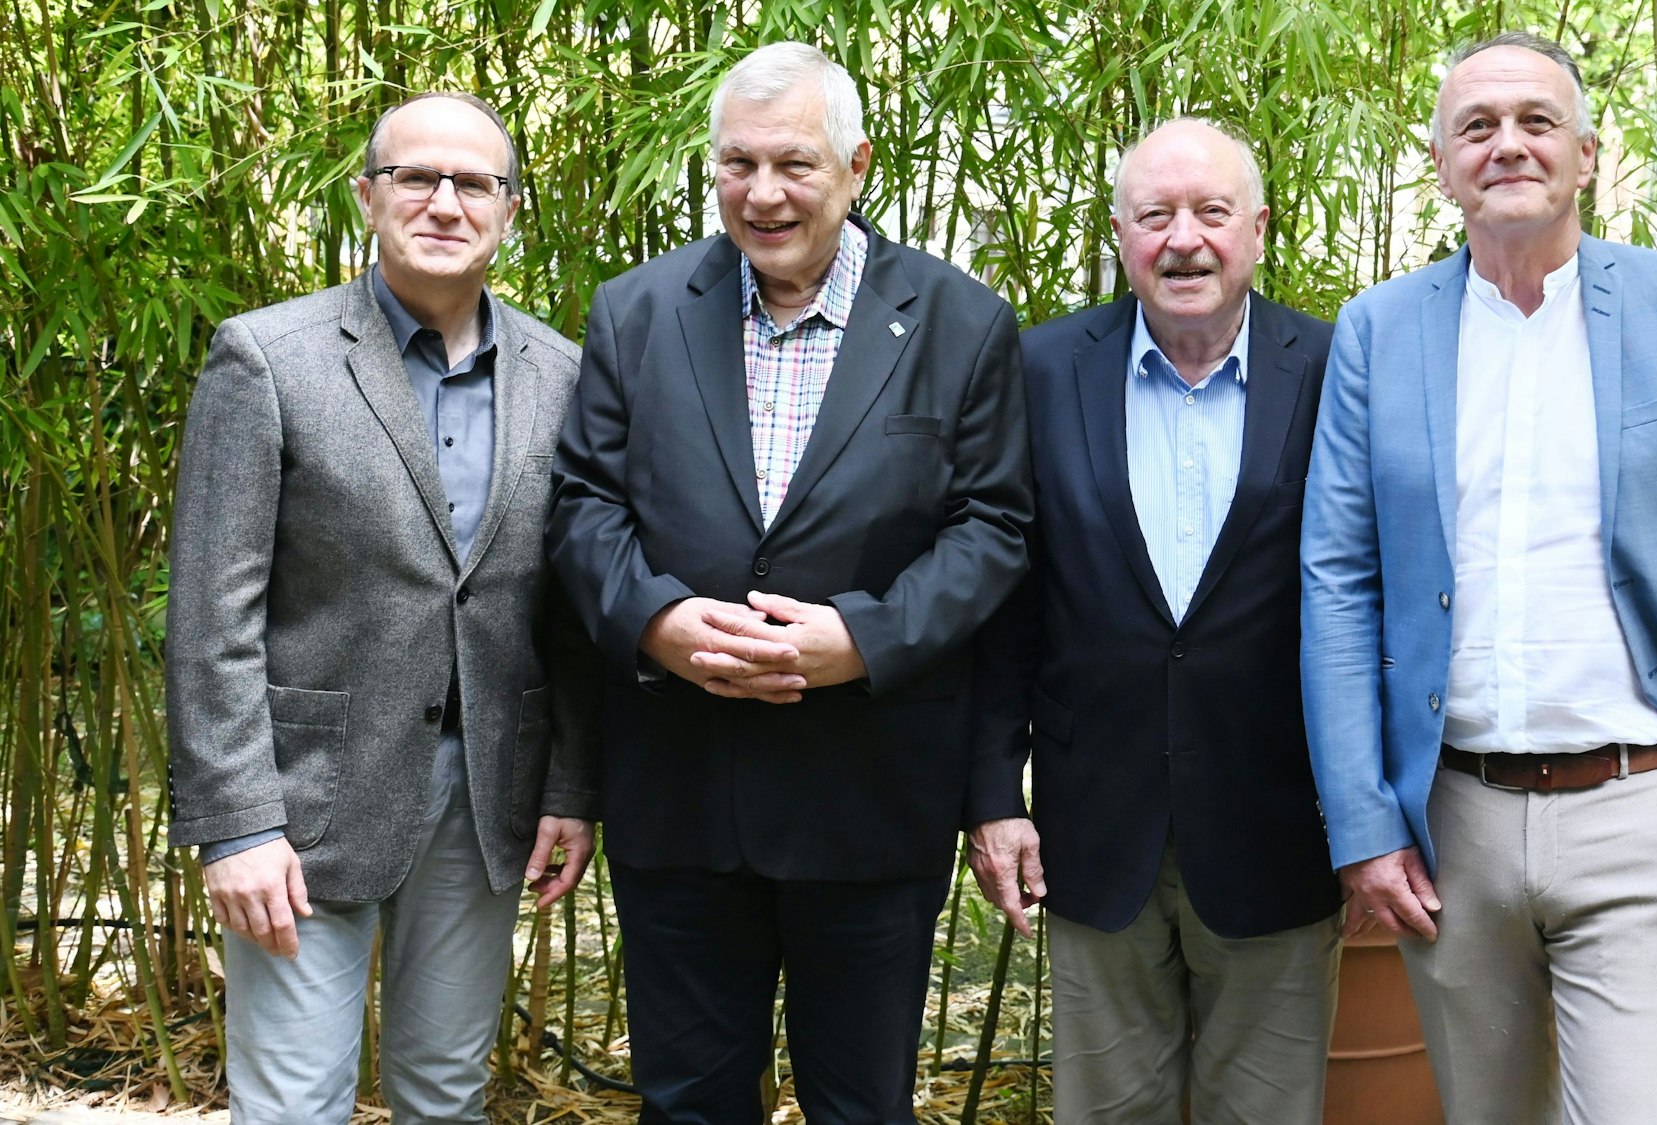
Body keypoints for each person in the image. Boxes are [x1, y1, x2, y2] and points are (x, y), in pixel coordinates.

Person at [1300, 31, 1657, 1123]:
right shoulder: (1377, 333)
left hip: (1645, 808)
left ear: (1584, 151)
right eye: (1475, 126)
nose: (1506, 145)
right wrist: (1362, 826)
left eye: (1533, 121)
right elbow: (1337, 581)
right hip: (1451, 823)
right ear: (1440, 165)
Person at [544, 41, 1032, 1124]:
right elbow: (581, 505)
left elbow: (993, 528)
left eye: (794, 164)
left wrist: (861, 638)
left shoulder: (961, 322)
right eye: (737, 163)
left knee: (861, 1104)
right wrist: (658, 620)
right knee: (685, 1099)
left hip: (867, 785)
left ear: (855, 166)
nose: (762, 194)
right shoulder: (637, 310)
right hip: (678, 781)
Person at [166, 92, 597, 1123]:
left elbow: (574, 614)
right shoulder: (269, 358)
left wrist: (571, 789)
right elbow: (209, 618)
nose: (445, 202)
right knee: (292, 1101)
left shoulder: (566, 375)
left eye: (474, 183)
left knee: (444, 1094)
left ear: (508, 209)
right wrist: (235, 827)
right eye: (417, 177)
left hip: (488, 795)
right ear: (367, 196)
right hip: (306, 800)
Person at [970, 118, 1342, 1123]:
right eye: (1155, 215)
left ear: (1258, 229)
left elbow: (1367, 605)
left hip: (1279, 827)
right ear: (1119, 233)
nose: (1184, 240)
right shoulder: (1038, 370)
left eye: (1211, 213)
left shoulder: (1334, 365)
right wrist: (993, 794)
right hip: (1095, 827)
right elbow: (1003, 606)